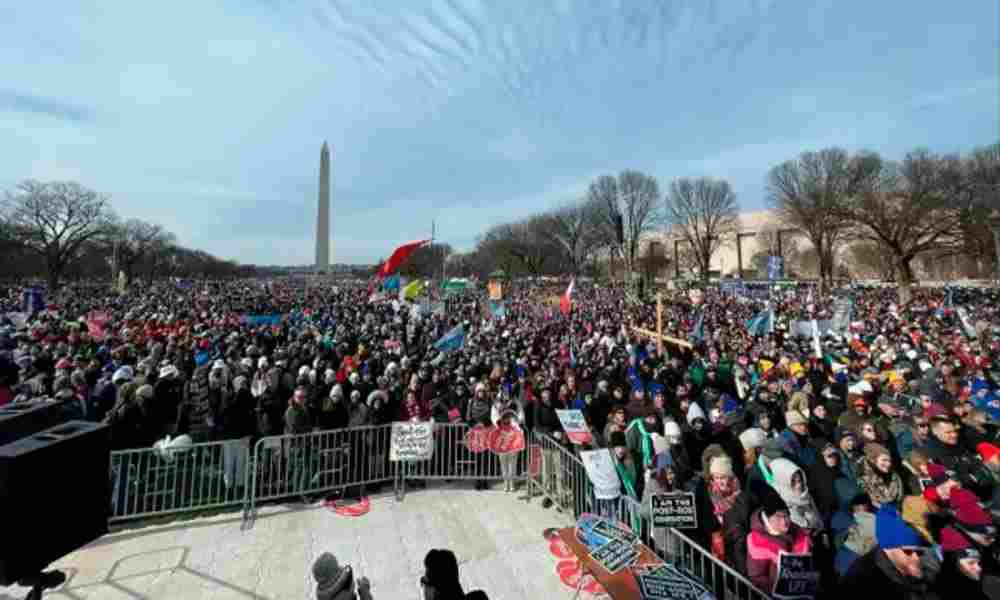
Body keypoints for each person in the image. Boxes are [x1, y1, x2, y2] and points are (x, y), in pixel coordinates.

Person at [840, 505, 935, 599]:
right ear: (888, 549)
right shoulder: (864, 580)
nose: (916, 558)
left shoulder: (925, 563)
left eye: (919, 552)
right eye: (908, 552)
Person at [745, 489, 812, 593]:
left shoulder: (798, 532)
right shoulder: (757, 541)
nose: (784, 521)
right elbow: (756, 577)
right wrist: (777, 591)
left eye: (786, 515)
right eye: (778, 517)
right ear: (768, 518)